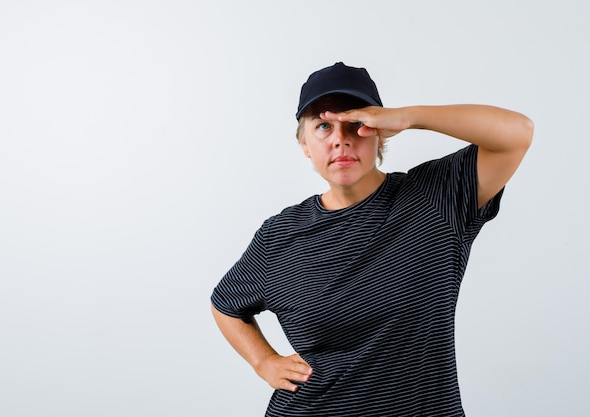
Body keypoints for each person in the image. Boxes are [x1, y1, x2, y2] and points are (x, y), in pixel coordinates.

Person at [210, 62, 533, 416]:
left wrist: (409, 117)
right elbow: (226, 304)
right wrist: (264, 362)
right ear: (305, 144)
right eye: (323, 126)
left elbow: (517, 133)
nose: (340, 139)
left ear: (379, 132)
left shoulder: (434, 199)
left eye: (356, 124)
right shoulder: (279, 235)